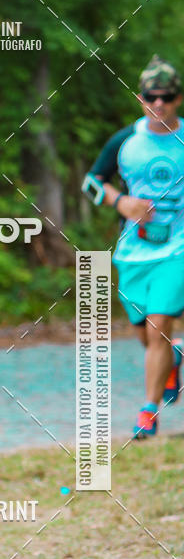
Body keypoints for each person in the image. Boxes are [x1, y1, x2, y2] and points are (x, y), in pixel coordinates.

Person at [83, 55, 184, 438]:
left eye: (167, 97)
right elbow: (91, 182)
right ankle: (173, 357)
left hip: (177, 249)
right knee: (145, 333)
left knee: (158, 326)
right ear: (140, 98)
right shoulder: (125, 141)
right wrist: (120, 202)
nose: (159, 104)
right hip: (133, 253)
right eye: (151, 97)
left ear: (178, 99)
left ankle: (148, 411)